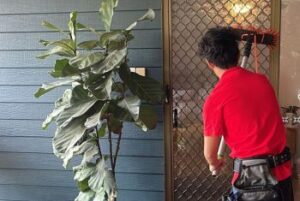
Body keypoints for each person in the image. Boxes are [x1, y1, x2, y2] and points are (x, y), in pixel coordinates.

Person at [198, 26, 294, 201]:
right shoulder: (262, 81)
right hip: (282, 177)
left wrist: (215, 163)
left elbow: (210, 154)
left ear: (209, 63)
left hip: (251, 183)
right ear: (236, 53)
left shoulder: (215, 100)